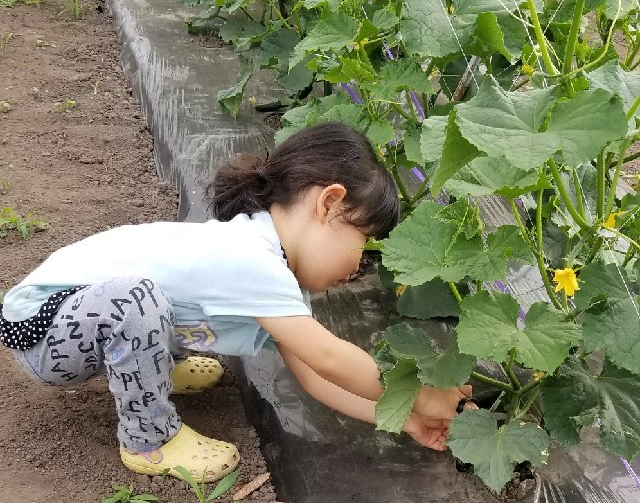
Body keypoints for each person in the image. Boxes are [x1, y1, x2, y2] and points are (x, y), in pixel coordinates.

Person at [0, 122, 472, 483]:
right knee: (138, 301)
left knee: (164, 302)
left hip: (77, 317)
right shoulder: (251, 260)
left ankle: (152, 370)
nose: (358, 264)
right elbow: (329, 357)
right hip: (42, 328)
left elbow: (312, 377)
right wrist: (422, 393)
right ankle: (150, 440)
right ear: (328, 203)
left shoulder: (272, 270)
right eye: (362, 241)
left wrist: (405, 418)